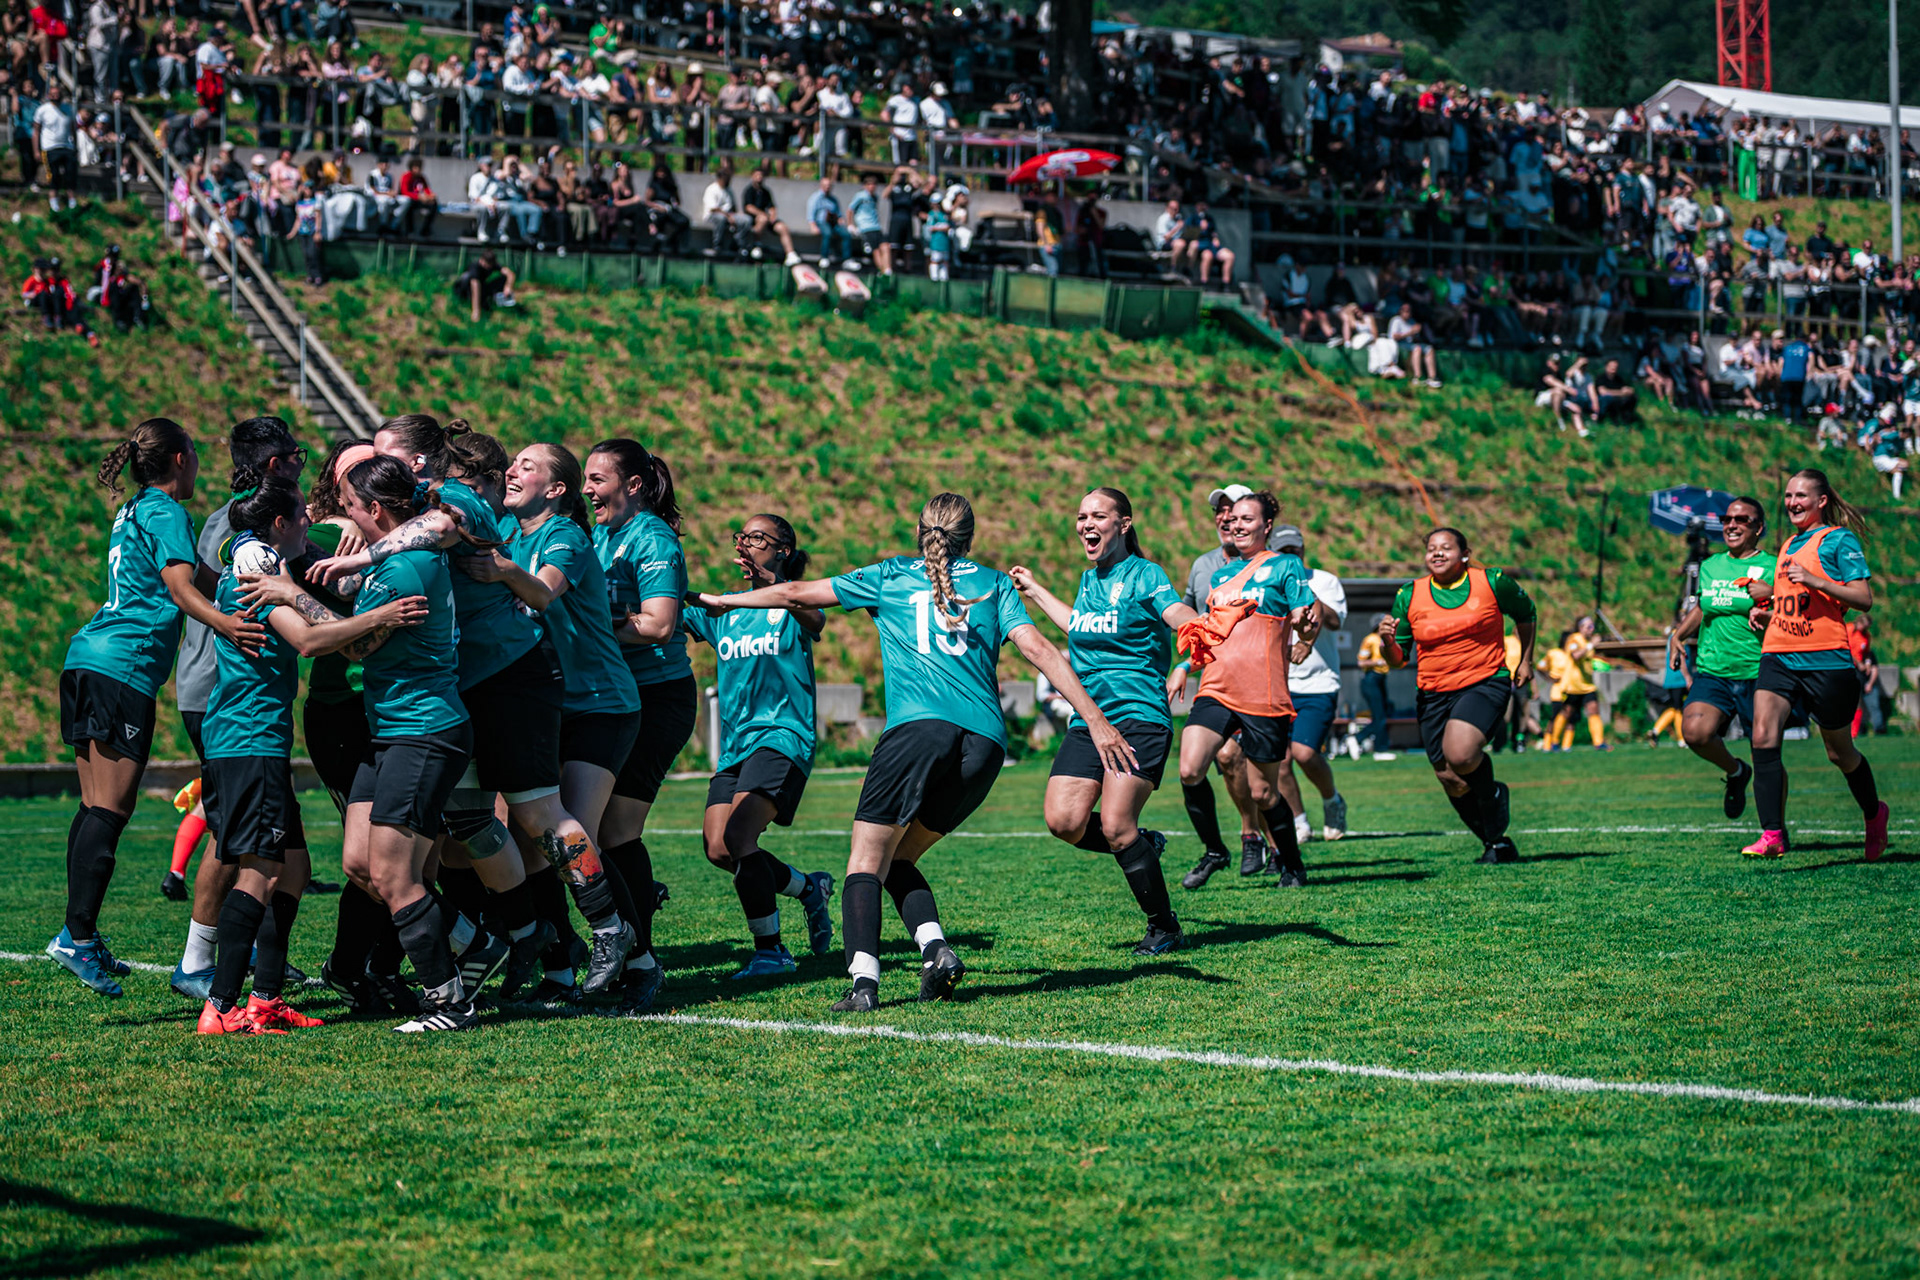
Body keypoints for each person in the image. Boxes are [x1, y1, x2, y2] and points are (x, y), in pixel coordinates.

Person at [692, 493, 1135, 1011]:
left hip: (917, 733)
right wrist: (1097, 721)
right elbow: (1040, 651)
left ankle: (863, 985)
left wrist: (722, 599)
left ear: (920, 530)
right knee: (901, 858)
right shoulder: (994, 583)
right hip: (986, 745)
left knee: (865, 861)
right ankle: (935, 950)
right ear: (969, 536)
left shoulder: (892, 575)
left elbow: (794, 593)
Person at [308, 419, 622, 1005]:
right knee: (469, 827)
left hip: (512, 677)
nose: (376, 466)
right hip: (465, 685)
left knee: (538, 817)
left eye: (386, 456)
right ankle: (521, 938)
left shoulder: (455, 500)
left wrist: (357, 558)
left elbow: (438, 530)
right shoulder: (418, 509)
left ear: (422, 463)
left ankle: (607, 928)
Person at [195, 474, 428, 1034]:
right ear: (278, 524)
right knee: (261, 872)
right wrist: (380, 617)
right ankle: (222, 1006)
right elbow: (306, 639)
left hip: (255, 739)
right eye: (303, 514)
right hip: (247, 740)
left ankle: (266, 1000)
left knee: (293, 869)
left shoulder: (255, 558)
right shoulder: (256, 575)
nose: (311, 522)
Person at [48, 421, 267, 998]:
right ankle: (76, 935)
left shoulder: (133, 509)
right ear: (177, 458)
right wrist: (226, 623)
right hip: (123, 668)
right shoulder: (168, 510)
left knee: (94, 805)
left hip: (87, 656)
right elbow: (178, 586)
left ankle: (81, 936)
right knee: (110, 811)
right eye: (195, 454)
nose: (199, 464)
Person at [459, 442, 642, 1005]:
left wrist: (504, 569)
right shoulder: (508, 535)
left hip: (600, 705)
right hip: (548, 703)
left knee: (560, 835)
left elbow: (541, 593)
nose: (512, 471)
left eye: (527, 466)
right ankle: (560, 965)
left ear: (556, 490)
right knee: (526, 840)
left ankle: (636, 955)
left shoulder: (565, 535)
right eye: (512, 464)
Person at [1008, 488, 1198, 954]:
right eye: (1080, 517)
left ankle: (1163, 925)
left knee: (1115, 824)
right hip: (1089, 720)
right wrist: (1034, 591)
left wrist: (1196, 624)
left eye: (1098, 515)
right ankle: (1142, 844)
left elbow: (1174, 611)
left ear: (1124, 523)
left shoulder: (1145, 574)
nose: (1086, 524)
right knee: (1064, 821)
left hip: (1139, 717)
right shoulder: (1089, 580)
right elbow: (1080, 626)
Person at [164, 417, 311, 1001]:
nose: (303, 466)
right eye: (296, 457)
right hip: (227, 698)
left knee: (280, 855)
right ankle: (204, 965)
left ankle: (262, 980)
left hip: (227, 695)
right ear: (275, 468)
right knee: (245, 847)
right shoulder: (246, 532)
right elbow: (301, 630)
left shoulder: (235, 519)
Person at [683, 513, 836, 977]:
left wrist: (776, 585)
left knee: (739, 836)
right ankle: (809, 888)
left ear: (782, 549)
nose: (745, 544)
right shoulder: (724, 607)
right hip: (736, 746)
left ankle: (771, 951)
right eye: (741, 537)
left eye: (757, 538)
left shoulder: (794, 601)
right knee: (718, 848)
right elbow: (668, 611)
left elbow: (815, 617)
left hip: (782, 738)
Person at [584, 438, 696, 1012]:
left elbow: (656, 626)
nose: (587, 489)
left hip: (657, 698)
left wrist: (594, 624)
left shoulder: (650, 535)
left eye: (597, 479)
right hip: (615, 695)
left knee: (612, 833)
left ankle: (641, 963)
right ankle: (630, 942)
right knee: (592, 831)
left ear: (631, 485)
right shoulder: (602, 534)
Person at [1168, 491, 1320, 887]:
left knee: (1264, 793)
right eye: (1233, 518)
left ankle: (1292, 862)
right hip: (1216, 687)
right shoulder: (1219, 576)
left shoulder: (1285, 566)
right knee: (1189, 768)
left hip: (1262, 692)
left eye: (1247, 519)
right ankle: (1215, 850)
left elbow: (1307, 616)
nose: (1237, 525)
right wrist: (1185, 666)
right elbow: (1213, 634)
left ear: (1266, 526)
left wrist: (1306, 628)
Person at [1740, 471, 1888, 861]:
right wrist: (1767, 606)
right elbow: (1795, 596)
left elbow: (1862, 598)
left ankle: (1875, 815)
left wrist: (1813, 579)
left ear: (1821, 501)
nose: (1792, 502)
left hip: (1826, 660)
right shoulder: (1789, 543)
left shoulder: (1838, 540)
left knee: (1840, 752)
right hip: (1779, 655)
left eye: (1801, 495)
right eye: (1788, 495)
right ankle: (1772, 833)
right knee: (1762, 734)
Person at [1377, 527, 1537, 864]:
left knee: (1461, 754)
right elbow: (1398, 660)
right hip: (1433, 692)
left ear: (1464, 554)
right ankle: (1494, 841)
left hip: (1485, 680)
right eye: (1431, 548)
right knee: (1450, 778)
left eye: (1445, 548)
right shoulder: (1410, 594)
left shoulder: (1491, 582)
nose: (1436, 553)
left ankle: (1494, 793)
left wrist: (1526, 659)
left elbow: (1526, 613)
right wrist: (1388, 642)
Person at [1669, 496, 1772, 818]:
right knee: (1695, 732)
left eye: (1742, 519)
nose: (1732, 524)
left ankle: (1774, 830)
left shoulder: (1775, 565)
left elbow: (1795, 608)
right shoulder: (1711, 566)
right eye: (1728, 519)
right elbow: (1703, 606)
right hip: (1713, 670)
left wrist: (1772, 598)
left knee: (1767, 754)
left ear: (1759, 528)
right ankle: (1736, 772)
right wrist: (1678, 635)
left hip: (1759, 670)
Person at [1269, 524, 1348, 844]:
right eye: (1283, 551)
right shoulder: (1266, 584)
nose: (1290, 556)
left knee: (1303, 752)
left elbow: (1333, 620)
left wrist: (1305, 591)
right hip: (1277, 684)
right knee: (1280, 761)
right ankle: (1300, 821)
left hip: (1318, 683)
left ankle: (1332, 800)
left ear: (1303, 551)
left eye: (1294, 550)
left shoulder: (1324, 580)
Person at [453, 250, 515, 323]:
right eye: (488, 264)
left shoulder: (492, 264)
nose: (489, 267)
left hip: (481, 286)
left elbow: (510, 273)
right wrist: (476, 311)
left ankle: (495, 299)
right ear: (482, 260)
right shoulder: (475, 267)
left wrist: (508, 287)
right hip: (464, 289)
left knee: (503, 279)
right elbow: (475, 286)